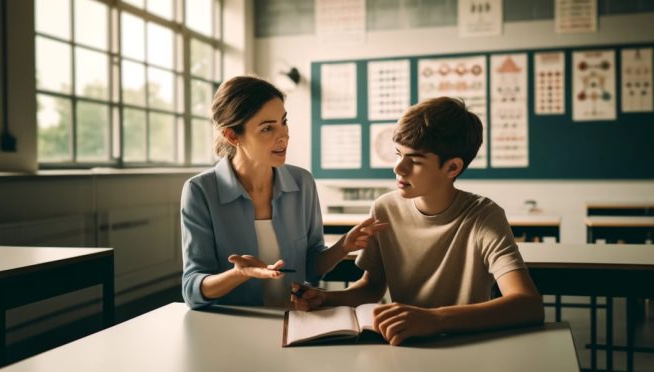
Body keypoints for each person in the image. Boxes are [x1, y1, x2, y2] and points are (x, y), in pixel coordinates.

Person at [292, 97, 544, 345]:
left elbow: (528, 304)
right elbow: (372, 287)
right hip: (403, 345)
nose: (398, 168)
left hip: (465, 346)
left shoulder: (483, 216)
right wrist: (326, 299)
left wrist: (435, 319)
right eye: (398, 154)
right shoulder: (385, 208)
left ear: (452, 168)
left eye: (414, 160)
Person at [181, 76, 385, 309]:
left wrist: (343, 247)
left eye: (283, 122)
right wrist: (239, 274)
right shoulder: (200, 191)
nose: (284, 135)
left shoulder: (303, 182)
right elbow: (192, 290)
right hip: (234, 326)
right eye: (267, 128)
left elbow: (309, 268)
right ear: (232, 136)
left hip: (294, 321)